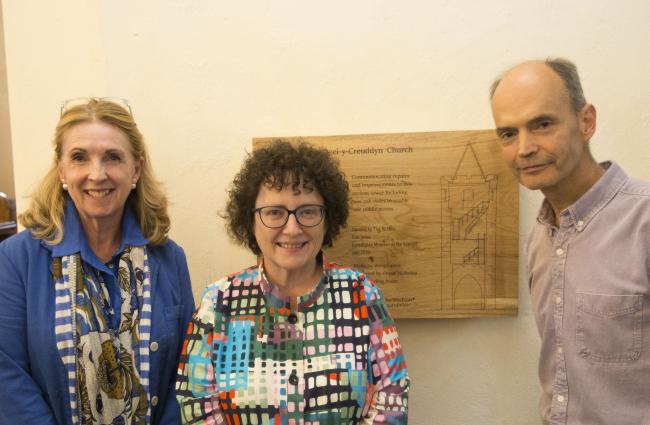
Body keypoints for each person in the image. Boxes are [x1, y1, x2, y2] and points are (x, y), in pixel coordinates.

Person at [176, 140, 409, 424]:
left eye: (307, 211)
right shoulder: (218, 303)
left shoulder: (362, 295)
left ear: (327, 218)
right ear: (251, 220)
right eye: (274, 212)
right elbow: (196, 406)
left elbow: (392, 398)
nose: (292, 228)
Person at [0, 98, 195, 424]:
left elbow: (189, 368)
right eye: (79, 158)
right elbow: (6, 373)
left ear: (136, 169)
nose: (97, 173)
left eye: (113, 157)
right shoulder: (17, 259)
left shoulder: (168, 258)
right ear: (62, 169)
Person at [490, 59, 650, 424]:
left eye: (542, 124)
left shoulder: (644, 222)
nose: (524, 148)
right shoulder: (540, 239)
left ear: (586, 121)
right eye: (508, 134)